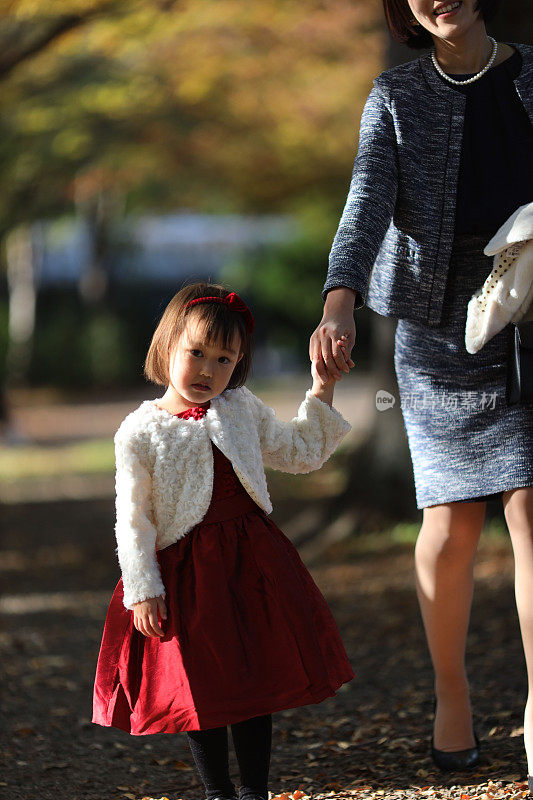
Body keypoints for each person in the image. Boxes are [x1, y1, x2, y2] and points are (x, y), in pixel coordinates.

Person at [310, 0, 533, 780]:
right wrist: (340, 298)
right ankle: (451, 699)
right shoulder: (395, 96)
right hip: (437, 323)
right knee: (452, 515)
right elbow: (366, 200)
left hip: (531, 310)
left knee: (532, 505)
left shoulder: (532, 74)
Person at [92, 282, 354, 800]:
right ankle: (219, 791)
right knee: (202, 680)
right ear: (167, 345)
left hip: (252, 563)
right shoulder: (140, 431)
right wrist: (142, 588)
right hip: (186, 573)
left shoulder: (239, 409)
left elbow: (300, 451)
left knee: (255, 677)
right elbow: (133, 518)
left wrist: (321, 389)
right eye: (196, 353)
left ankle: (255, 788)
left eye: (224, 359)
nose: (208, 370)